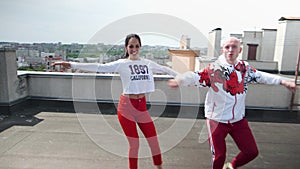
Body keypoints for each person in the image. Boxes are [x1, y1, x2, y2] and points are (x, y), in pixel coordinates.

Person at [52, 34, 178, 169]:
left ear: (140, 47)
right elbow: (99, 67)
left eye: (136, 46)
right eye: (131, 46)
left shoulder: (147, 64)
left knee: (153, 140)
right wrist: (71, 64)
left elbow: (165, 69)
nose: (134, 49)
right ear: (126, 48)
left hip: (141, 107)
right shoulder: (121, 64)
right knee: (134, 145)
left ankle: (159, 166)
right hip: (126, 108)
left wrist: (183, 78)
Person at [168, 37, 297, 169]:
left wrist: (283, 81)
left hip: (237, 120)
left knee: (251, 152)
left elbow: (262, 76)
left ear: (240, 50)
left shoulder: (244, 68)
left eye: (234, 47)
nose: (230, 50)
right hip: (216, 120)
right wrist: (180, 79)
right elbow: (195, 76)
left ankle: (230, 166)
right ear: (222, 50)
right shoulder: (214, 69)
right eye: (227, 47)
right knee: (219, 156)